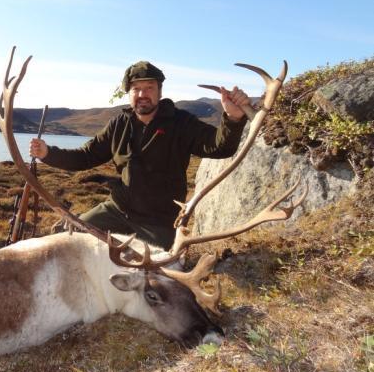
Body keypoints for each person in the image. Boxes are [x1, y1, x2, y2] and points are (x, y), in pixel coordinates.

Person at [29, 60, 252, 249]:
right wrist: (49, 153)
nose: (142, 94)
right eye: (136, 89)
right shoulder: (119, 123)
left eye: (149, 88)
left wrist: (232, 119)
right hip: (117, 210)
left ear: (159, 91)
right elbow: (86, 156)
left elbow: (219, 147)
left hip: (158, 222)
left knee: (156, 273)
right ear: (129, 93)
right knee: (71, 238)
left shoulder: (181, 123)